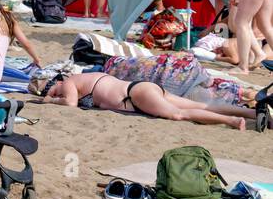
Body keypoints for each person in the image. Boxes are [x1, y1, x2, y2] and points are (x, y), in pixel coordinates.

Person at [32, 71, 249, 129]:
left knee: (178, 114)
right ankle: (250, 114)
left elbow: (69, 104)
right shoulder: (79, 82)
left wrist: (50, 102)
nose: (52, 95)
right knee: (198, 105)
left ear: (55, 83)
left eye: (50, 91)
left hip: (135, 95)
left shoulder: (69, 82)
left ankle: (231, 121)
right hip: (139, 90)